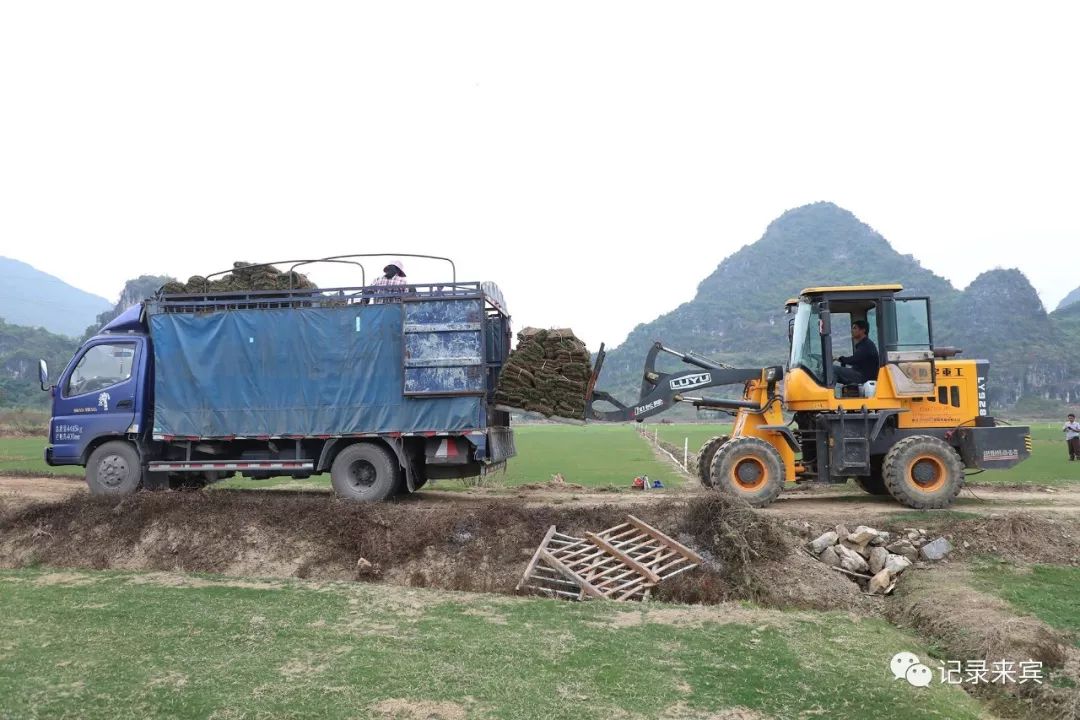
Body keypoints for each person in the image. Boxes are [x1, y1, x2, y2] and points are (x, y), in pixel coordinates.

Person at [834, 319, 878, 385]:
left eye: (855, 328)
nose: (852, 331)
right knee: (834, 375)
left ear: (863, 330)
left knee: (831, 369)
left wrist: (839, 358)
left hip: (863, 377)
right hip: (859, 373)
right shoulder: (863, 344)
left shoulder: (866, 345)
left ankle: (827, 393)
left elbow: (853, 360)